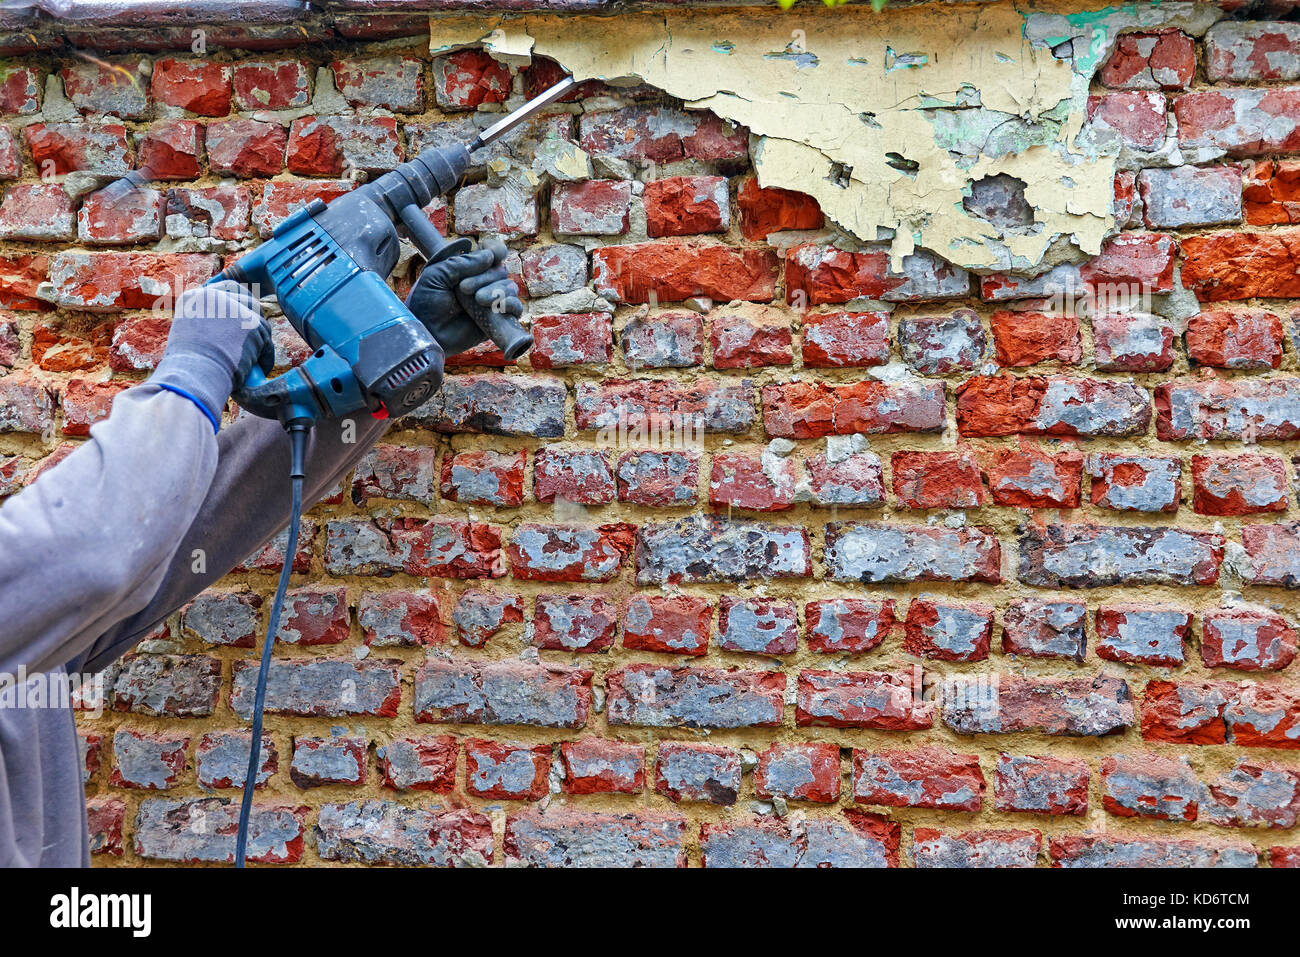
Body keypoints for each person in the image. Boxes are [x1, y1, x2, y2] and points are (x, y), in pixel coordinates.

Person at [0, 242, 523, 867]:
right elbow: (99, 551)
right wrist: (194, 367)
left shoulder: (26, 640)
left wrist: (381, 370)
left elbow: (193, 530)